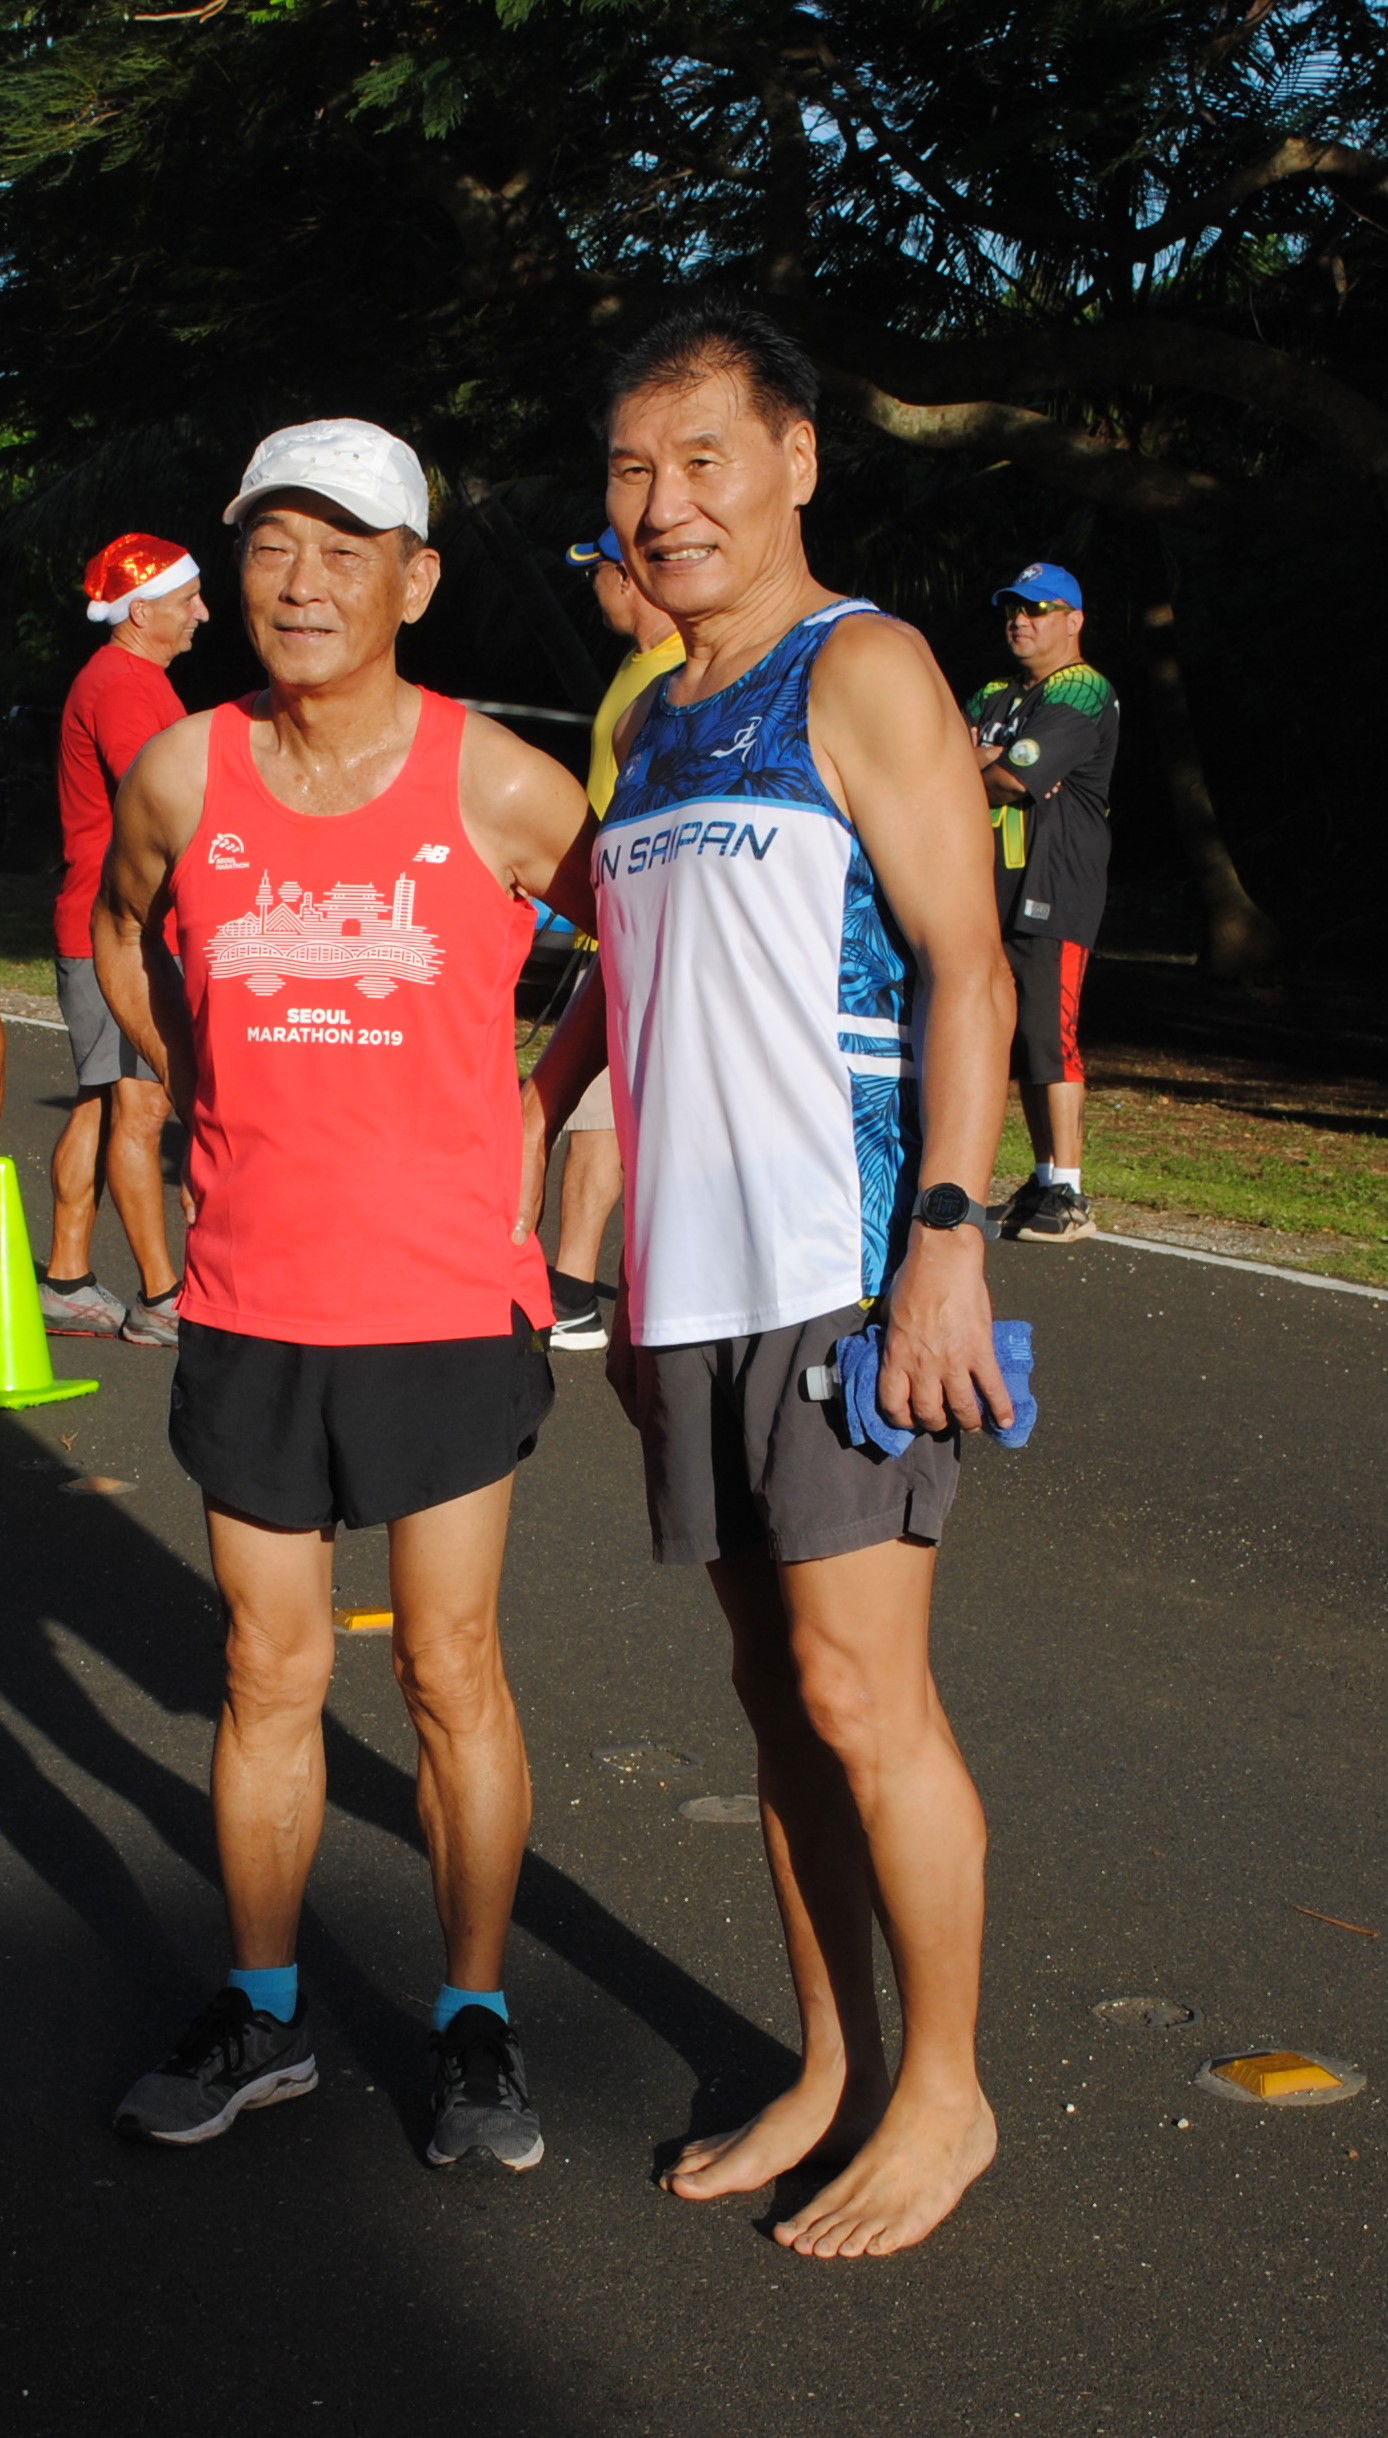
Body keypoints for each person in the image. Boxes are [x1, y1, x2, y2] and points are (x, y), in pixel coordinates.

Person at [523, 301, 1016, 2260]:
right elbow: (632, 1003)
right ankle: (825, 2066)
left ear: (796, 459)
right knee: (771, 1700)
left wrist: (950, 1251)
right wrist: (611, 1263)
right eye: (633, 470)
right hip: (691, 1284)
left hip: (846, 1260)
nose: (667, 502)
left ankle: (947, 2093)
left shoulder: (862, 665)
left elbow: (967, 966)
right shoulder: (648, 717)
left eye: (702, 456)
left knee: (857, 1686)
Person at [95, 417, 595, 2166]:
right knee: (266, 1666)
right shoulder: (185, 771)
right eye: (271, 549)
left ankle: (471, 2020)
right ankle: (267, 2006)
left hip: (445, 1304)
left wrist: (543, 1109)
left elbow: (642, 950)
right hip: (248, 1292)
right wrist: (192, 1077)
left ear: (416, 578)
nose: (301, 584)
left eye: (343, 548)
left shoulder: (501, 785)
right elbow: (117, 925)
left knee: (451, 1668)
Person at [41, 534, 208, 1345]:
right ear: (143, 611)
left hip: (104, 921)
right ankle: (162, 1298)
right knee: (141, 1109)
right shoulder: (126, 686)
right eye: (188, 599)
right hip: (123, 930)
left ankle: (68, 1276)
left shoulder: (119, 679)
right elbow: (168, 802)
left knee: (104, 1101)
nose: (201, 614)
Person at [545, 524, 683, 1351]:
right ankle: (575, 1281)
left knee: (603, 1112)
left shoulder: (674, 667)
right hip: (609, 913)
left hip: (632, 923)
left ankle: (575, 1286)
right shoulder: (642, 662)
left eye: (596, 570)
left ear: (627, 574)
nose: (593, 585)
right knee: (597, 1113)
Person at [967, 563, 1118, 1244]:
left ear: (1073, 620)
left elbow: (1011, 777)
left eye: (1038, 609)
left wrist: (989, 760)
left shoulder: (1083, 690)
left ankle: (1071, 1192)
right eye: (1013, 610)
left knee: (1050, 1037)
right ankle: (1043, 1174)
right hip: (991, 886)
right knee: (1018, 1040)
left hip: (1056, 884)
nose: (1020, 621)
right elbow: (938, 761)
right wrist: (982, 759)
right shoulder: (995, 692)